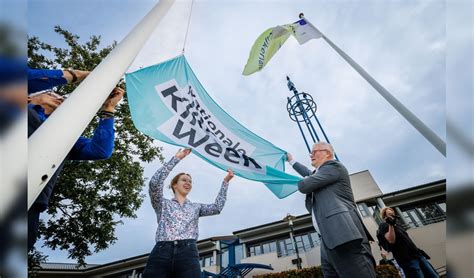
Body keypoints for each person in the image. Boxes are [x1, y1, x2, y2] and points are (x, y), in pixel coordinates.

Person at [27, 68, 124, 251]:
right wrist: (87, 76)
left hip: (29, 205)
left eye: (62, 98)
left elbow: (100, 150)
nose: (60, 98)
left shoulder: (64, 137)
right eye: (52, 93)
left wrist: (108, 109)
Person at [287, 142, 376, 277]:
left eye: (314, 151)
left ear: (327, 153)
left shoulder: (334, 166)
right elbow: (308, 173)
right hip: (328, 239)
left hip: (344, 234)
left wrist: (288, 181)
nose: (311, 154)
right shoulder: (321, 173)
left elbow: (305, 185)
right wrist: (291, 160)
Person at [143, 148, 234, 277]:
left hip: (188, 253)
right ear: (174, 185)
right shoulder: (162, 204)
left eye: (190, 181)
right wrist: (177, 158)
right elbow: (154, 183)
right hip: (161, 252)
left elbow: (217, 208)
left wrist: (225, 182)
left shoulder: (196, 207)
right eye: (184, 180)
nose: (188, 183)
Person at [377, 207, 438, 277]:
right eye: (389, 213)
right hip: (406, 259)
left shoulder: (398, 225)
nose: (392, 214)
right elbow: (391, 240)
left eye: (392, 213)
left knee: (434, 276)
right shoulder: (383, 225)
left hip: (417, 255)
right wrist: (390, 225)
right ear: (385, 215)